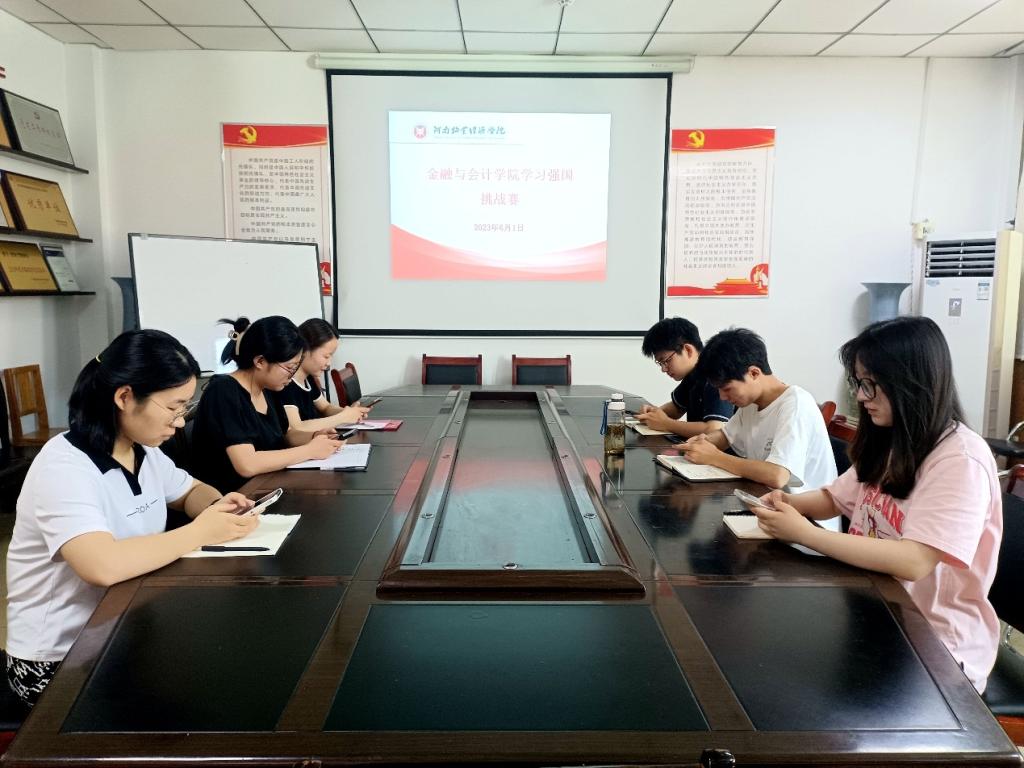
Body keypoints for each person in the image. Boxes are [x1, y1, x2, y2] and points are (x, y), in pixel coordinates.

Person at [5, 330, 260, 707]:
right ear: (124, 397)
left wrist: (218, 506)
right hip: (58, 657)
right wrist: (201, 531)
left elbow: (190, 490)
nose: (179, 422)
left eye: (184, 408)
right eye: (174, 407)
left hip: (122, 628)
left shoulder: (144, 451)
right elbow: (102, 566)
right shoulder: (64, 467)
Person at [746, 317, 1002, 693]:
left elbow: (914, 561)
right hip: (876, 610)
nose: (861, 397)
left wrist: (805, 534)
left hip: (935, 645)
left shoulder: (959, 459)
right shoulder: (893, 439)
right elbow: (835, 498)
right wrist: (790, 502)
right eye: (859, 384)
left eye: (870, 385)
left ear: (910, 382)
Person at [191, 316, 341, 493]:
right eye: (290, 368)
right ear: (260, 361)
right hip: (236, 497)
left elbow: (286, 435)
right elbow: (247, 464)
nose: (292, 376)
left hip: (269, 487)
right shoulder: (223, 391)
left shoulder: (267, 389)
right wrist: (309, 451)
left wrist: (315, 436)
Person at [681, 327, 837, 495]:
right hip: (766, 499)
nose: (722, 397)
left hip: (803, 509)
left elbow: (777, 475)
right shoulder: (751, 403)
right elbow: (726, 436)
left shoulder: (795, 404)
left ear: (754, 373)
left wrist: (715, 457)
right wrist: (702, 443)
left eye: (726, 389)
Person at [635, 317, 734, 438]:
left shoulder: (714, 375)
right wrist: (652, 414)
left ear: (688, 350)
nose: (663, 369)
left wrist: (666, 424)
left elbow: (714, 429)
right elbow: (676, 409)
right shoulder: (692, 374)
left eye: (666, 361)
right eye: (660, 363)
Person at [274, 318, 369, 436]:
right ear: (305, 350)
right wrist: (343, 417)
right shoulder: (285, 383)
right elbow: (297, 427)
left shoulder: (308, 378)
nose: (329, 363)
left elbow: (325, 407)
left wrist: (350, 412)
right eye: (326, 356)